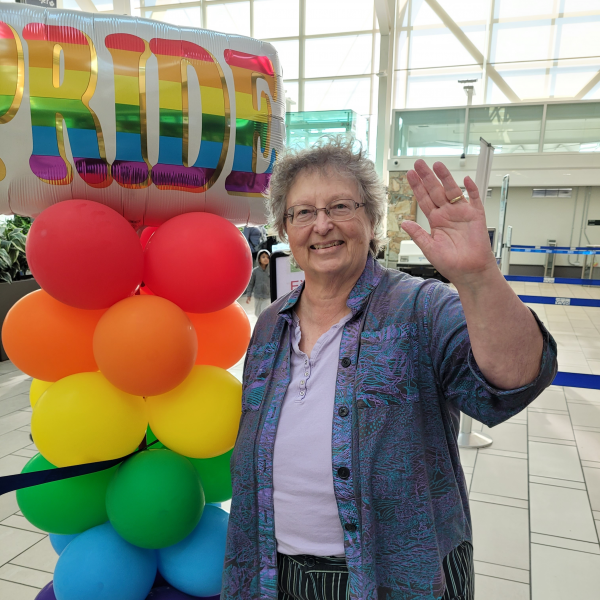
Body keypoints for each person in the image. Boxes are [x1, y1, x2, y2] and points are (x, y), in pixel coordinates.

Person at [223, 138, 557, 600]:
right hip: (274, 571)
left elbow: (513, 382)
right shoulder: (269, 324)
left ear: (371, 219)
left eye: (341, 205)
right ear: (284, 227)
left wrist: (479, 278)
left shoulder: (421, 307)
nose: (322, 225)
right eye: (303, 212)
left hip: (396, 576)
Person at [245, 249, 271, 318]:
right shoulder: (255, 271)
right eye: (263, 257)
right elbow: (251, 284)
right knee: (258, 313)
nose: (266, 258)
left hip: (267, 296)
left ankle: (265, 326)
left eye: (267, 257)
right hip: (257, 296)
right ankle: (260, 326)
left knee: (264, 313)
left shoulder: (271, 270)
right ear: (259, 259)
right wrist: (249, 295)